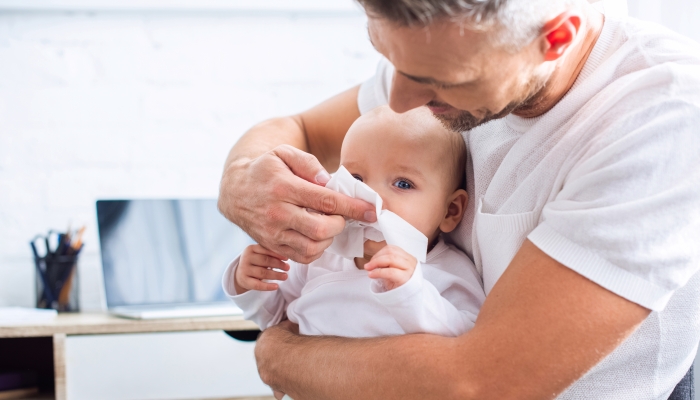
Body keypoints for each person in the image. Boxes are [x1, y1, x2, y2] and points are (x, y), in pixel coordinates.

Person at [217, 0, 700, 398]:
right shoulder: (440, 56)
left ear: (554, 39)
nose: (402, 99)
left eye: (443, 82)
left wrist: (277, 357)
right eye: (392, 61)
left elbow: (476, 384)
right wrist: (240, 178)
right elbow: (298, 129)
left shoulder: (663, 119)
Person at [222, 106, 485, 339]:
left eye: (403, 183)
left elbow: (469, 339)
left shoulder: (448, 271)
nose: (371, 198)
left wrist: (411, 294)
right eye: (356, 179)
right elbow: (275, 319)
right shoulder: (319, 254)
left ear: (450, 211)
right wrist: (249, 284)